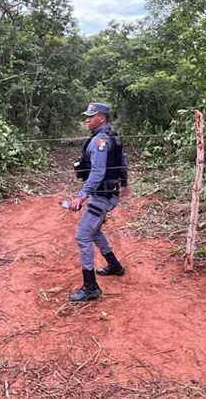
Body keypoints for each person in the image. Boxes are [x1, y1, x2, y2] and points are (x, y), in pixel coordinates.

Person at [67, 102, 128, 302]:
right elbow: (122, 160)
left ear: (101, 117)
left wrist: (81, 195)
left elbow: (98, 172)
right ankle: (115, 266)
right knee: (93, 231)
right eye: (87, 115)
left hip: (102, 195)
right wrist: (125, 183)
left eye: (91, 116)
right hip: (106, 193)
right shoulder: (111, 136)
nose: (87, 119)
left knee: (83, 235)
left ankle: (90, 287)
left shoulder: (100, 140)